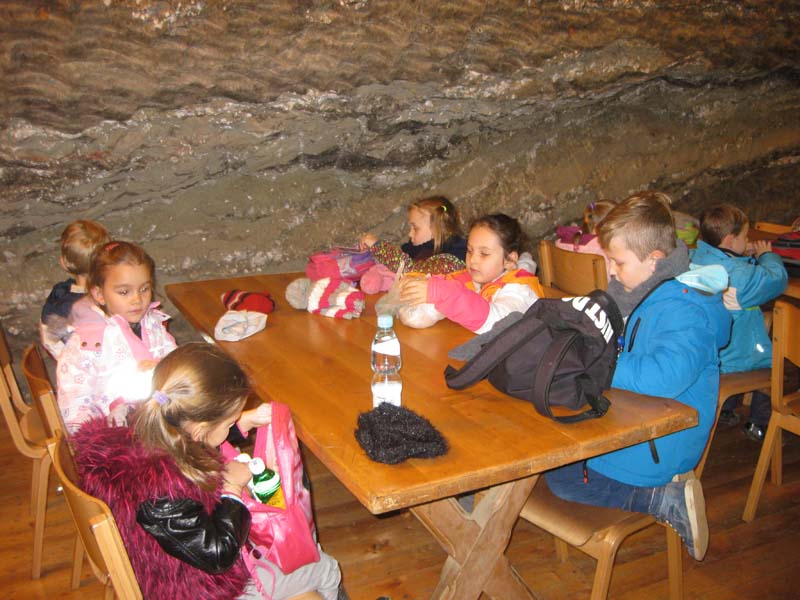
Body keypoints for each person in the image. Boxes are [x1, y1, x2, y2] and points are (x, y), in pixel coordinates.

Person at [71, 343, 342, 600]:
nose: (233, 425)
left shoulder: (155, 428)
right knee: (325, 568)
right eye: (229, 422)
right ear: (201, 428)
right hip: (200, 588)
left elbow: (195, 441)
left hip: (184, 565)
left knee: (306, 561)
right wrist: (232, 489)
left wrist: (243, 422)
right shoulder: (163, 494)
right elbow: (218, 555)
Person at [543, 191, 732, 562]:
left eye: (618, 262)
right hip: (635, 418)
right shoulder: (639, 289)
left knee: (561, 476)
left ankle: (661, 498)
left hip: (660, 442)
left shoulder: (685, 309)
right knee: (551, 441)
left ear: (654, 259)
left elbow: (664, 377)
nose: (612, 272)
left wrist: (603, 359)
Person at [56, 241, 177, 433]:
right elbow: (74, 405)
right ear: (99, 294)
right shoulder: (86, 344)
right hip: (115, 436)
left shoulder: (153, 324)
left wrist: (161, 367)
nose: (137, 299)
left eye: (144, 289)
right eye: (124, 292)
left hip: (158, 421)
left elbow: (176, 366)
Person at [691, 203, 788, 441]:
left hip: (706, 350)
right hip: (734, 357)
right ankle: (759, 423)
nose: (747, 240)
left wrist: (742, 257)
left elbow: (731, 267)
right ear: (730, 239)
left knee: (739, 340)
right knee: (774, 362)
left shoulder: (695, 257)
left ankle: (725, 409)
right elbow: (776, 280)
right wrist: (766, 256)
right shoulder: (740, 277)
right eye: (745, 236)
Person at [397, 213, 542, 334]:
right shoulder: (471, 278)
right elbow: (416, 317)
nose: (472, 260)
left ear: (510, 260)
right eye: (470, 251)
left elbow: (497, 325)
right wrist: (412, 293)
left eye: (484, 253)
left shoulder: (521, 290)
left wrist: (443, 293)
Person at [40, 220, 111, 359]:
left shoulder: (58, 296)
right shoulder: (108, 298)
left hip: (70, 364)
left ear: (64, 263)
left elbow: (49, 339)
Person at [359, 195, 467, 275]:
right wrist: (371, 254)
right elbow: (397, 260)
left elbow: (411, 270)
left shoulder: (452, 257)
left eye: (415, 228)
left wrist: (378, 247)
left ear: (437, 229)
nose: (410, 234)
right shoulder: (415, 248)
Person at [554, 199, 617, 281]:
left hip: (566, 286)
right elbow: (608, 281)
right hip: (596, 288)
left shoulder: (561, 241)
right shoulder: (601, 249)